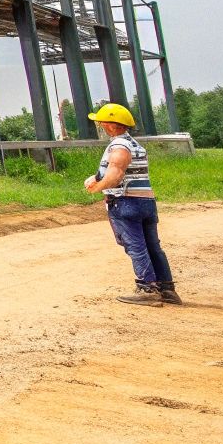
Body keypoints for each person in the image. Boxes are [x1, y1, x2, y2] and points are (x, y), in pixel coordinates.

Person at [84, 102, 181, 306]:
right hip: (145, 202)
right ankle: (167, 290)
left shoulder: (119, 146)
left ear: (112, 125)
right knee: (153, 247)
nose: (100, 125)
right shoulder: (136, 146)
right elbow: (125, 171)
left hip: (126, 203)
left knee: (136, 246)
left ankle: (147, 288)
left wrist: (99, 186)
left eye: (101, 122)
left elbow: (116, 173)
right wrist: (96, 177)